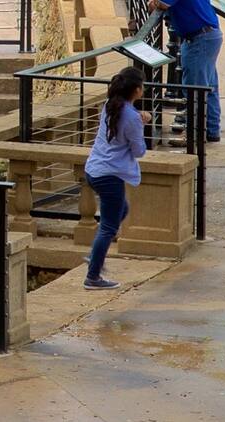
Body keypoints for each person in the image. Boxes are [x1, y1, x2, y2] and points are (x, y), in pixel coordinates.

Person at [84, 68, 151, 290]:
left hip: (94, 169)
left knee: (122, 210)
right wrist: (142, 122)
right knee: (109, 227)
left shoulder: (110, 105)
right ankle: (93, 276)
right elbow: (139, 150)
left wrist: (138, 117)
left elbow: (125, 120)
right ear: (137, 90)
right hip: (109, 175)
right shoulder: (131, 117)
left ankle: (95, 253)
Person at [152, 0, 222, 142]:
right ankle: (211, 130)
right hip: (209, 34)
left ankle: (193, 135)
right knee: (209, 87)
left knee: (194, 90)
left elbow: (161, 3)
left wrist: (155, 3)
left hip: (198, 38)